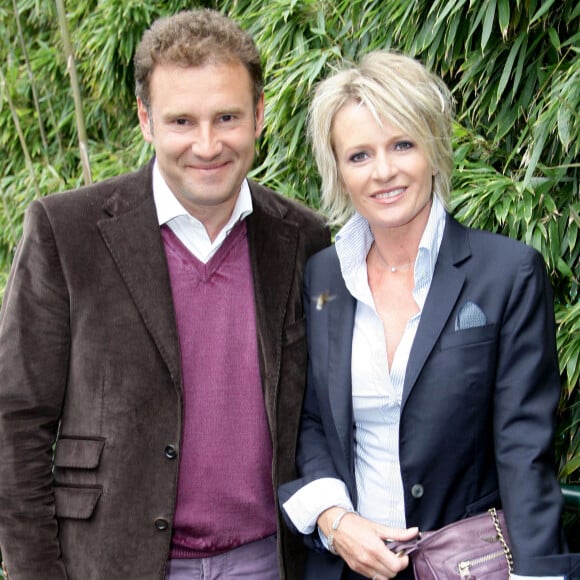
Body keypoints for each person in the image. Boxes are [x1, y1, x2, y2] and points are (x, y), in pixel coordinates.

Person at [0, 9, 330, 580]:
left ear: (259, 116)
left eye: (226, 117)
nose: (207, 145)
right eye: (182, 121)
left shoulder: (302, 238)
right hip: (113, 561)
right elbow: (16, 420)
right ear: (146, 121)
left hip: (266, 562)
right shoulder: (67, 231)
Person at [278, 51, 573, 579]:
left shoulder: (507, 273)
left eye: (402, 144)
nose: (383, 171)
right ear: (338, 169)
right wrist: (334, 517)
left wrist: (539, 572)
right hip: (347, 569)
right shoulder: (322, 277)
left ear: (434, 148)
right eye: (359, 155)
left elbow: (523, 449)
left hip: (470, 566)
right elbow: (310, 419)